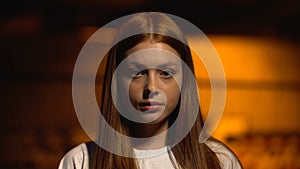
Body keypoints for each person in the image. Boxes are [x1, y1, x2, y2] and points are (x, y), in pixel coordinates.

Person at [58, 12, 243, 169]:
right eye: (137, 73)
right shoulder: (81, 162)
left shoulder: (219, 161)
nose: (152, 88)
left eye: (165, 73)